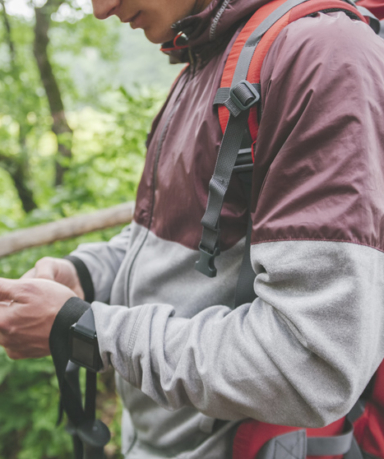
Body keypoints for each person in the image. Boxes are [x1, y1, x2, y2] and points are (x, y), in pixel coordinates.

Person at [1, 0, 384, 457]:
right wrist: (84, 273)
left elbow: (311, 365)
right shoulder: (204, 62)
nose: (101, 9)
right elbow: (180, 245)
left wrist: (86, 329)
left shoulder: (320, 55)